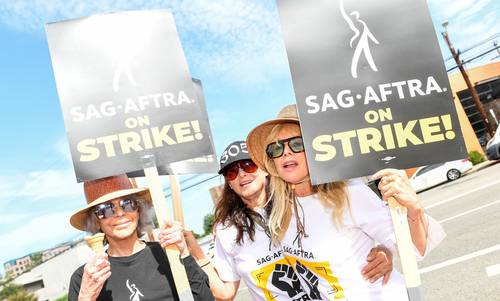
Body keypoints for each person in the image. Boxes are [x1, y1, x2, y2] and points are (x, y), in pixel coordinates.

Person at [246, 104, 446, 300]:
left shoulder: (350, 194)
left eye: (297, 144)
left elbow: (415, 248)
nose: (286, 153)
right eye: (276, 148)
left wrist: (414, 210)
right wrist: (381, 248)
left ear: (319, 150)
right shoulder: (280, 210)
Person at [186, 141, 394, 300]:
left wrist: (385, 250)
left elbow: (350, 234)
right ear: (228, 183)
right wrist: (194, 252)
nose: (241, 175)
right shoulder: (226, 229)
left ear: (264, 168)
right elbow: (225, 292)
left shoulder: (300, 201)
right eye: (232, 172)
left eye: (248, 165)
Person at [67, 174, 214, 301]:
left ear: (138, 209)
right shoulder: (85, 278)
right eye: (106, 209)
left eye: (127, 203)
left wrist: (184, 254)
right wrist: (86, 297)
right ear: (96, 220)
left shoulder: (169, 253)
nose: (119, 213)